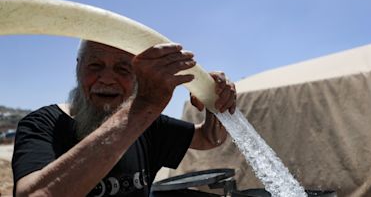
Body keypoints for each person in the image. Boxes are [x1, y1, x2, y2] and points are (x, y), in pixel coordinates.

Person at [12, 40, 237, 197]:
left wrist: (215, 104)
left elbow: (210, 139)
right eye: (95, 66)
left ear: (137, 76)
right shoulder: (43, 124)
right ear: (78, 67)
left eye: (122, 68)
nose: (107, 78)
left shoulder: (149, 124)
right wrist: (144, 107)